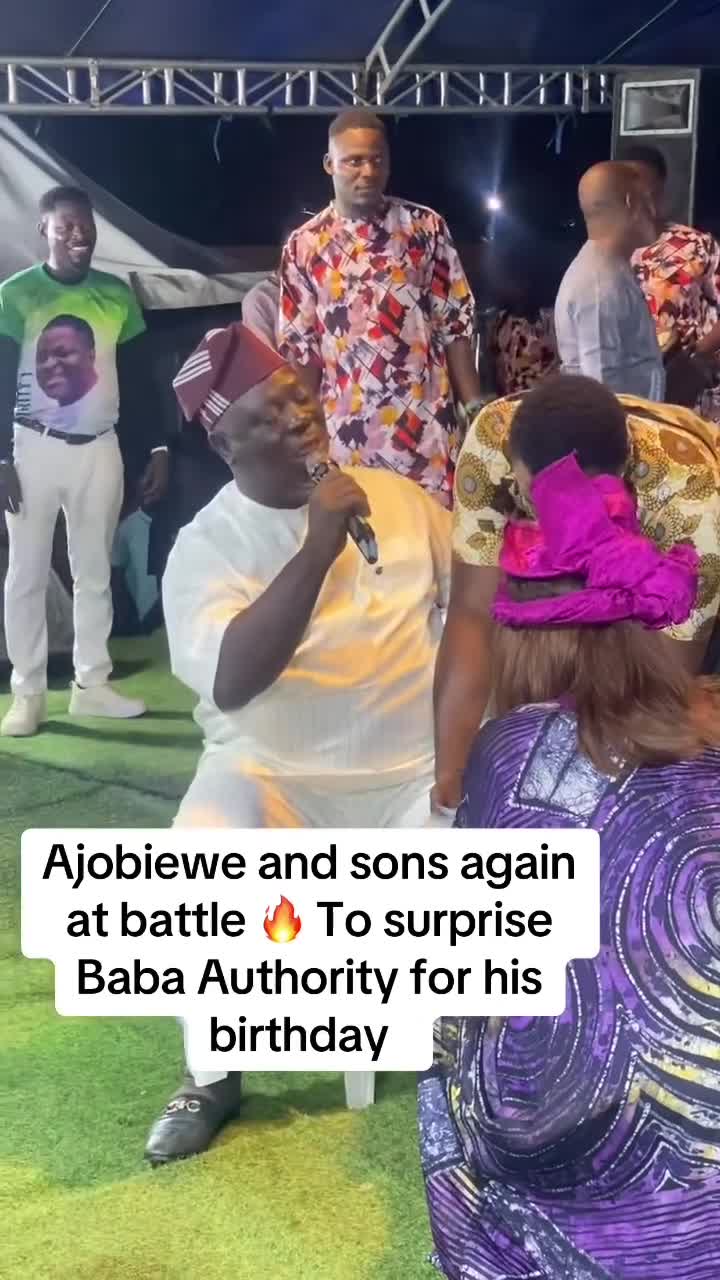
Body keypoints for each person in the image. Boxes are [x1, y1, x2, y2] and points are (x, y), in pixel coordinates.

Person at [147, 320, 451, 1164]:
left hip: (411, 777)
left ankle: (470, 1049)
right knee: (203, 848)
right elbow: (232, 679)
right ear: (224, 445)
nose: (298, 419)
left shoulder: (398, 500)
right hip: (275, 780)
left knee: (506, 852)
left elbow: (473, 610)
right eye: (267, 416)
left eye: (298, 399)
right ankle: (213, 1074)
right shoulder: (205, 546)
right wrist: (317, 549)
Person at [421, 440, 720, 1280]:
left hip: (570, 1139)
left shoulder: (510, 754)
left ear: (525, 636)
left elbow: (469, 967)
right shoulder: (706, 734)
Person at [432, 375, 720, 814]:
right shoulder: (492, 446)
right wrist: (455, 773)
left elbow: (657, 687)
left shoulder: (691, 498)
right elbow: (472, 613)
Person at [0, 186, 168, 736]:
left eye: (86, 226)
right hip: (32, 449)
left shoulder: (116, 295)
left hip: (100, 449)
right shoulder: (16, 294)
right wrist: (0, 457)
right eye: (66, 226)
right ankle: (27, 693)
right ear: (43, 230)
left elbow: (141, 377)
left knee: (93, 570)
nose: (79, 235)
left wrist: (158, 446)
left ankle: (91, 685)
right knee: (26, 574)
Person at [278, 108, 483, 508]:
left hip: (426, 435)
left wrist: (475, 409)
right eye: (354, 161)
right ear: (329, 164)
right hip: (348, 440)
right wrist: (305, 438)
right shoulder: (304, 246)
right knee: (365, 542)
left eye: (377, 160)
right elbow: (303, 353)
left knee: (434, 537)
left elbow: (455, 324)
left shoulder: (425, 228)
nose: (368, 172)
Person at [554, 162, 665, 399]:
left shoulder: (611, 270)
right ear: (630, 202)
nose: (655, 212)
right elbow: (601, 392)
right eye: (648, 200)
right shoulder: (599, 284)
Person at [629, 144, 720, 417]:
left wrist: (699, 356)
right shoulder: (611, 251)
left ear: (661, 188)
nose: (639, 196)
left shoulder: (695, 244)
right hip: (635, 393)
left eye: (646, 187)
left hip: (693, 395)